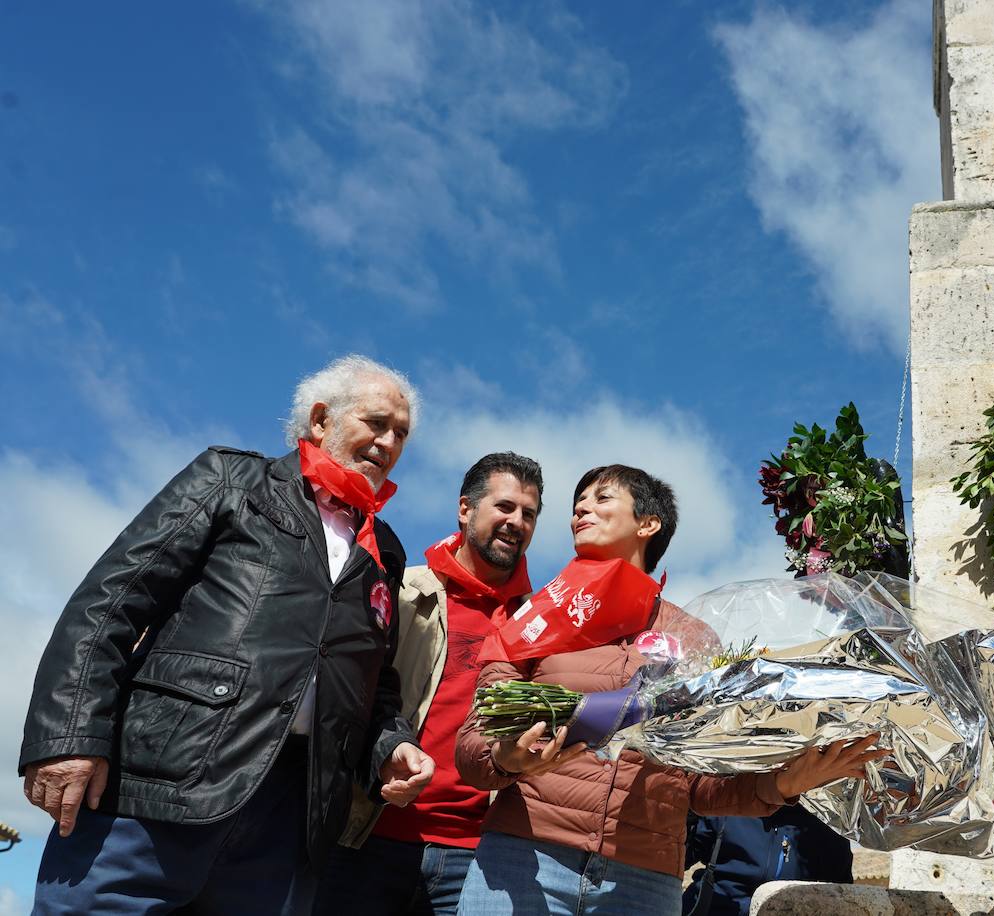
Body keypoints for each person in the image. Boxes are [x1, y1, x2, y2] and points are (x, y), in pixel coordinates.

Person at [19, 355, 435, 915]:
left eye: (401, 433)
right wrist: (68, 736)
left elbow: (374, 681)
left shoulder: (384, 547)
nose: (388, 442)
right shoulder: (232, 480)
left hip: (293, 816)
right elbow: (111, 602)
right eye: (376, 423)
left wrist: (392, 744)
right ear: (319, 420)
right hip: (164, 782)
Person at [455, 464, 887, 915]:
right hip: (525, 863)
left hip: (643, 882)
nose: (580, 508)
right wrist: (505, 759)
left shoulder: (695, 640)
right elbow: (472, 745)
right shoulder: (532, 618)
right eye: (577, 503)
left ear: (648, 523)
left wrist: (781, 784)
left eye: (602, 498)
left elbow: (700, 787)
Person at [314, 452, 544, 915]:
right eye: (504, 506)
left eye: (529, 514)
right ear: (465, 509)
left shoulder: (541, 623)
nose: (516, 521)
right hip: (368, 835)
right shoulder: (396, 590)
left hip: (480, 858)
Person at [681, 808, 853, 915]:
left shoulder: (825, 827)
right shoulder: (729, 803)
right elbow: (679, 858)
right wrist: (685, 813)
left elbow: (840, 897)